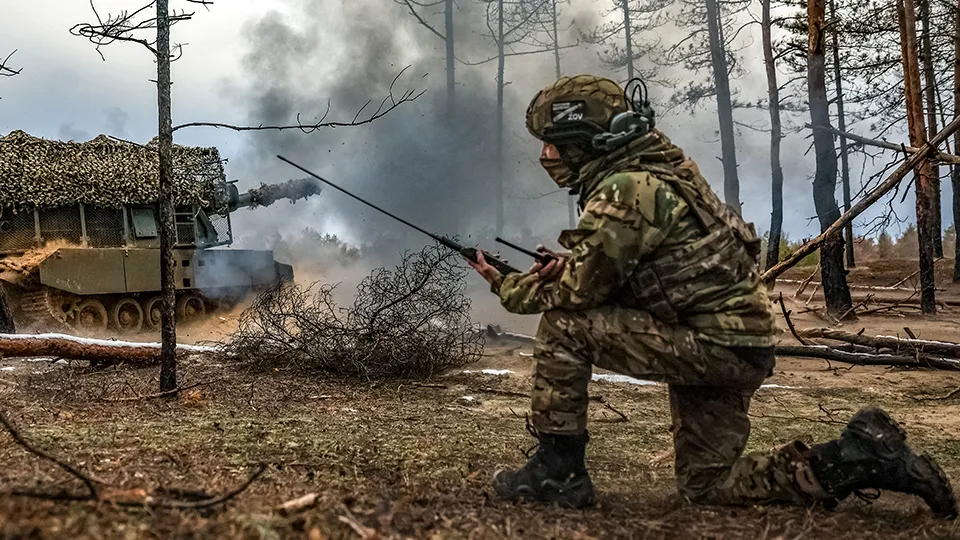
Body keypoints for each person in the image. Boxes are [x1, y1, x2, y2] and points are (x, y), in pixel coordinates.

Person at [467, 74, 956, 517]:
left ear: (586, 142)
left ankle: (559, 472)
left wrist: (504, 282)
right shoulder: (665, 171)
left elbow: (576, 294)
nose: (545, 156)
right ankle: (859, 459)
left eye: (554, 144)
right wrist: (574, 270)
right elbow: (649, 272)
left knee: (564, 326)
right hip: (734, 344)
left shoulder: (627, 188)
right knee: (709, 484)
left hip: (711, 345)